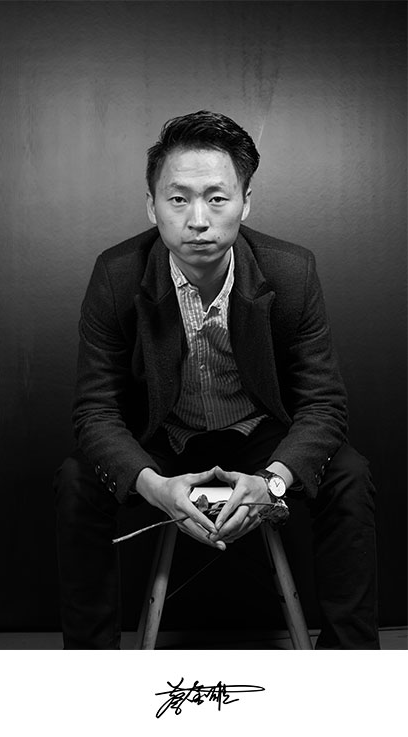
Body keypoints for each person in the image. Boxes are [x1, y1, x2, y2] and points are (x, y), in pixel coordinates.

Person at [54, 110, 379, 650]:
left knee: (350, 473)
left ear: (246, 202)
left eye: (217, 198)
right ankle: (93, 672)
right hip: (162, 439)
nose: (198, 220)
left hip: (260, 437)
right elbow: (96, 411)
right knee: (76, 479)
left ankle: (349, 671)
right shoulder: (116, 275)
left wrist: (273, 482)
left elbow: (323, 405)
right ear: (152, 205)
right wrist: (153, 486)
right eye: (178, 199)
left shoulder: (292, 272)